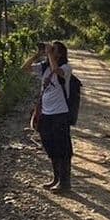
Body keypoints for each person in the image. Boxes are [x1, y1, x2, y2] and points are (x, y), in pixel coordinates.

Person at [23, 41, 73, 192]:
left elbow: (57, 71)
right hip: (46, 113)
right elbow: (24, 69)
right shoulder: (44, 67)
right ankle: (56, 178)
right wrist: (37, 54)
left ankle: (65, 182)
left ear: (61, 54)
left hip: (60, 113)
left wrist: (50, 54)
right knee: (50, 146)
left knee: (63, 148)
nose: (50, 52)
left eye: (54, 50)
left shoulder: (66, 67)